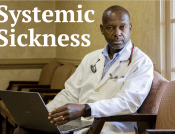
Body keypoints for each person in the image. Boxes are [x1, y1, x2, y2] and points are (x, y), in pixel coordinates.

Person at [14, 5, 153, 134]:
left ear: (130, 28)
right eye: (111, 28)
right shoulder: (91, 58)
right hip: (79, 123)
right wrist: (46, 115)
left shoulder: (141, 62)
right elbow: (70, 93)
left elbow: (127, 103)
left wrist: (85, 109)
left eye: (122, 27)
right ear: (102, 29)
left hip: (111, 126)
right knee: (24, 130)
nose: (117, 33)